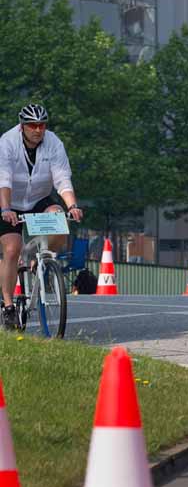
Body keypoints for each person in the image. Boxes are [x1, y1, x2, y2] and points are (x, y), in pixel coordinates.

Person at [0, 104, 83, 330]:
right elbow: (4, 179)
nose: (38, 130)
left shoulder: (54, 143)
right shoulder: (7, 142)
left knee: (60, 223)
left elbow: (62, 178)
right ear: (22, 126)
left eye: (42, 125)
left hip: (39, 198)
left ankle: (41, 261)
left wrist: (72, 205)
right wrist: (6, 209)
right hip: (9, 202)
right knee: (11, 248)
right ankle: (8, 307)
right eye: (33, 125)